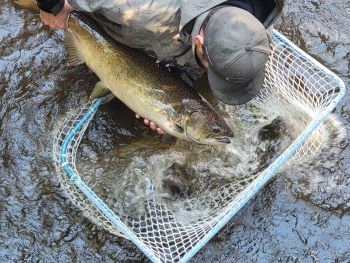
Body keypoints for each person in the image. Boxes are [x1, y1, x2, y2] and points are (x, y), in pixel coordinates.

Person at [37, 0, 284, 135]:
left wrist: (178, 77)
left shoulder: (255, 29)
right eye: (214, 70)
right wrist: (52, 7)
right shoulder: (138, 7)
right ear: (199, 41)